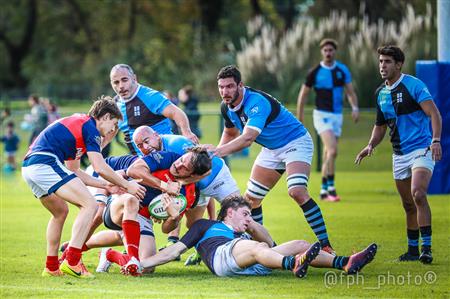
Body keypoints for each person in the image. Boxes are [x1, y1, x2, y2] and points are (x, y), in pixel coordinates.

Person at [208, 65, 335, 254]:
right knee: (250, 200)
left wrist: (216, 152)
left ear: (240, 85)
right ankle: (265, 248)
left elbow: (248, 139)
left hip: (295, 142)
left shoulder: (256, 102)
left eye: (229, 86)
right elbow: (229, 132)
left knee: (297, 191)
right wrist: (217, 157)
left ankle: (325, 244)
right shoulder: (226, 107)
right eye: (221, 87)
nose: (224, 92)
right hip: (272, 149)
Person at [21, 96, 146, 278]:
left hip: (30, 167)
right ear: (104, 117)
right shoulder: (90, 126)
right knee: (90, 205)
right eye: (113, 123)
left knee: (60, 212)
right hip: (44, 162)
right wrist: (127, 185)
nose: (113, 129)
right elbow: (100, 167)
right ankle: (72, 261)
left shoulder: (81, 127)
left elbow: (75, 172)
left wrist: (107, 186)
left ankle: (51, 266)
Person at [123, 196, 378, 277]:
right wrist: (141, 263)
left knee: (300, 244)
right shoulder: (205, 225)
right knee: (256, 248)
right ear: (230, 212)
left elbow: (271, 245)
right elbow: (173, 251)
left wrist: (251, 223)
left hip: (254, 261)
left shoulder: (247, 231)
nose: (248, 218)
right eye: (245, 213)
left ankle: (345, 262)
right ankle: (293, 265)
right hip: (225, 259)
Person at [355, 45, 442, 264]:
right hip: (399, 155)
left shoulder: (413, 85)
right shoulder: (380, 93)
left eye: (387, 62)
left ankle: (426, 248)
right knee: (408, 205)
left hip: (421, 149)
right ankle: (412, 251)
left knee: (418, 194)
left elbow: (434, 114)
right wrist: (370, 145)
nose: (382, 65)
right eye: (381, 61)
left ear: (399, 64)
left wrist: (436, 140)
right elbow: (381, 126)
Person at [89, 148, 212, 275]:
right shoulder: (167, 158)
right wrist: (164, 186)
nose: (177, 165)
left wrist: (173, 217)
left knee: (147, 266)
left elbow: (165, 229)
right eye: (181, 160)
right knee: (131, 201)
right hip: (121, 202)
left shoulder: (188, 194)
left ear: (192, 175)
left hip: (141, 218)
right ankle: (131, 258)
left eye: (184, 168)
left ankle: (108, 254)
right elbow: (133, 170)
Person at [132, 125, 240, 265]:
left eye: (147, 141)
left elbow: (205, 171)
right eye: (140, 145)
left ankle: (258, 248)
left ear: (157, 135)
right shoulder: (151, 154)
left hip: (217, 178)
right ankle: (201, 251)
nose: (145, 147)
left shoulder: (176, 144)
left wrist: (181, 182)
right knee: (193, 225)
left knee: (239, 215)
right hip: (195, 187)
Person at [296, 38, 359, 202]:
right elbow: (303, 95)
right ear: (322, 52)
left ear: (334, 52)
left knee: (328, 154)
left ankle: (323, 191)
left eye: (331, 50)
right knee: (332, 150)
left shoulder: (342, 70)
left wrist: (355, 107)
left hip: (337, 116)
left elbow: (350, 92)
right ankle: (331, 188)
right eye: (325, 50)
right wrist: (300, 117)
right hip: (321, 115)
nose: (328, 53)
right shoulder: (315, 72)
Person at [109, 64, 199, 154]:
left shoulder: (149, 97)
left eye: (124, 80)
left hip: (164, 154)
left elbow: (176, 113)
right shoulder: (115, 105)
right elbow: (109, 131)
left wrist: (187, 133)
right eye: (116, 82)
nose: (121, 86)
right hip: (138, 160)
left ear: (134, 78)